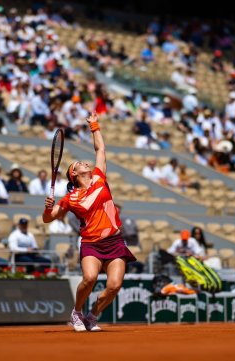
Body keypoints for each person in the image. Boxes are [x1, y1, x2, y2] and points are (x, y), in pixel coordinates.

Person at [43, 113, 136, 332]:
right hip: (91, 243)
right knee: (89, 278)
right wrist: (48, 206)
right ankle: (77, 312)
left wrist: (94, 126)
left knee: (114, 286)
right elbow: (48, 219)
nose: (85, 163)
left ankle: (92, 316)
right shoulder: (70, 198)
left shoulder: (98, 178)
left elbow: (100, 150)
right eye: (79, 164)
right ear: (74, 174)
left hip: (115, 242)